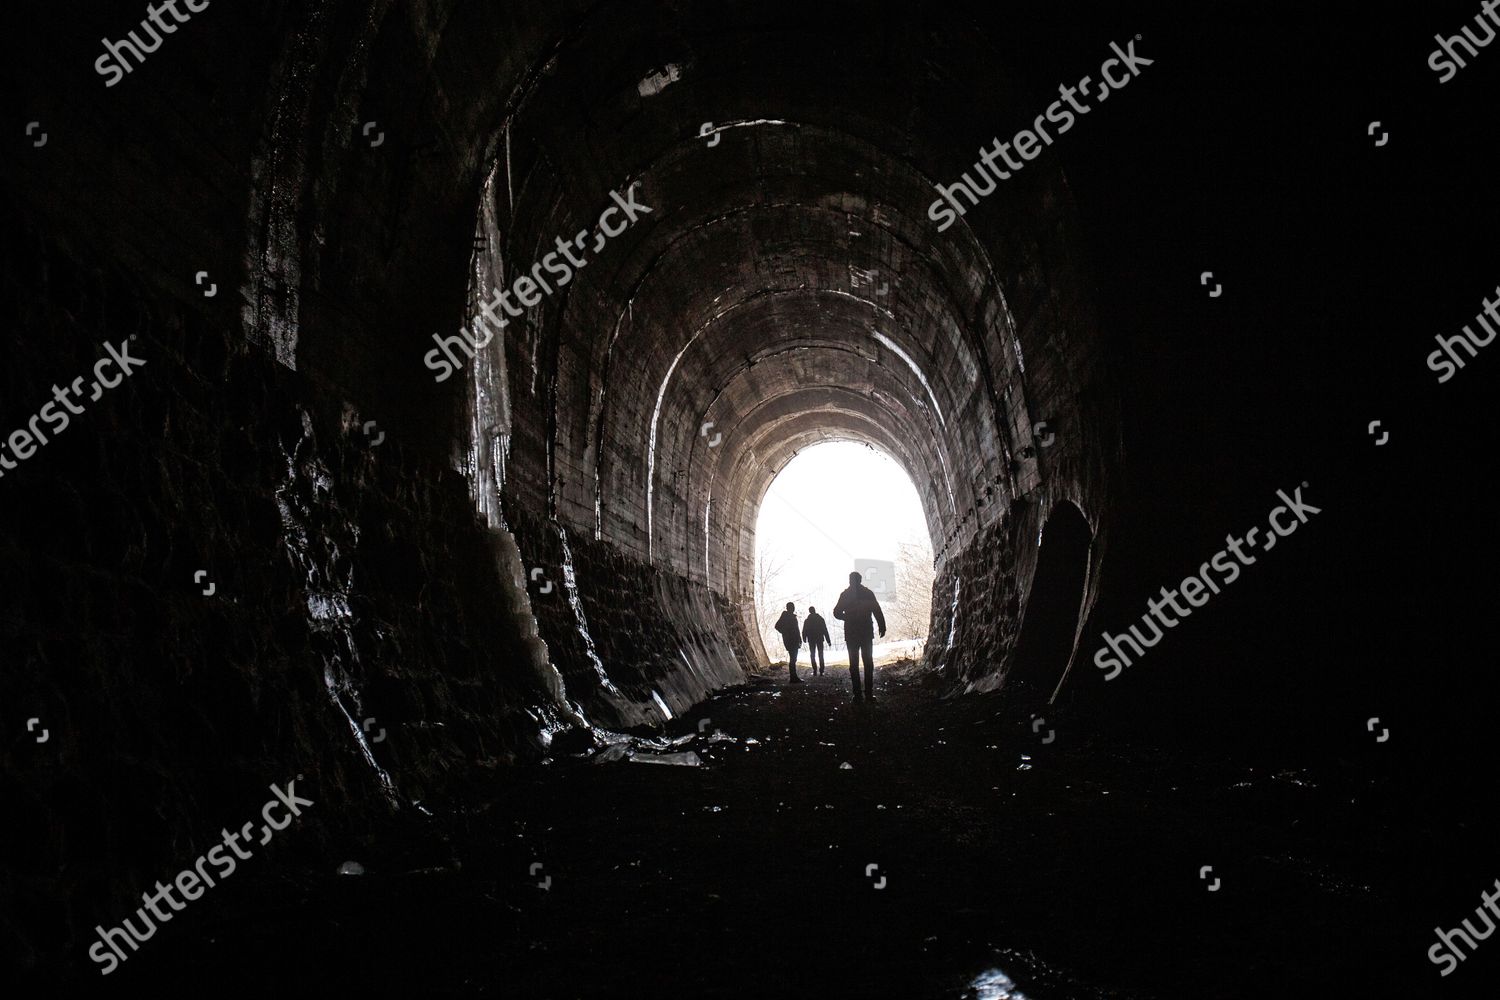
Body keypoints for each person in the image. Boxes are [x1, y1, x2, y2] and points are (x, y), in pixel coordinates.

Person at [832, 571, 885, 703]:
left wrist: (847, 618)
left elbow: (836, 612)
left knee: (854, 664)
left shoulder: (845, 595)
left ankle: (857, 695)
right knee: (868, 663)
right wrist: (882, 626)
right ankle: (868, 694)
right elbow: (877, 610)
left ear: (850, 581)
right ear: (860, 580)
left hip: (851, 633)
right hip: (866, 632)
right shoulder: (868, 593)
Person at [774, 602, 803, 683]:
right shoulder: (786, 617)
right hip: (791, 640)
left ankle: (794, 677)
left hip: (794, 640)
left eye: (793, 607)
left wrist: (799, 638)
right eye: (791, 607)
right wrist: (786, 633)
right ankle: (793, 677)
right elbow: (777, 626)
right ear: (788, 608)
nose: (793, 608)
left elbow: (796, 630)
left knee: (794, 658)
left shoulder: (790, 617)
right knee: (793, 658)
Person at [802, 606, 830, 676]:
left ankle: (814, 670)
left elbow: (804, 630)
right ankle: (821, 670)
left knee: (812, 654)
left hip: (811, 639)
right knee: (820, 654)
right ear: (814, 610)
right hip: (819, 638)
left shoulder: (807, 620)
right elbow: (825, 630)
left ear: (810, 611)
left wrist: (804, 638)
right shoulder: (820, 619)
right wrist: (828, 640)